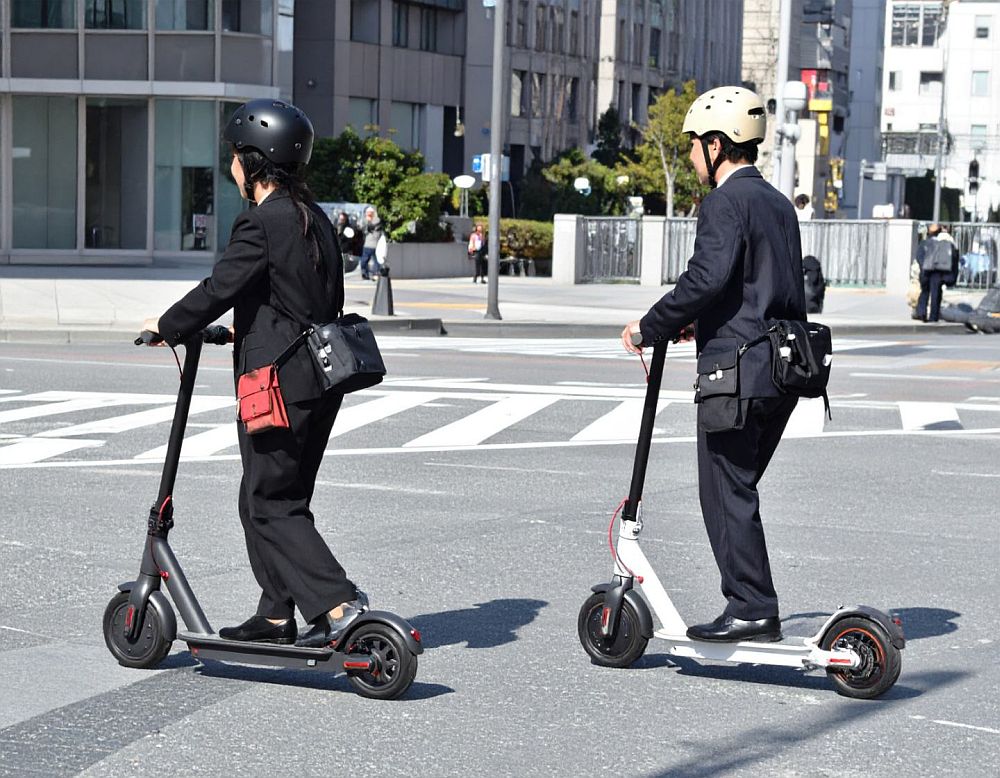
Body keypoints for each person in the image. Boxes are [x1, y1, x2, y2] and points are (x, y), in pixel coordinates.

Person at [141, 99, 367, 649]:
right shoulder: (313, 218)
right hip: (320, 379)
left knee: (271, 503)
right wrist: (246, 331)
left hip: (279, 389)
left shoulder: (262, 221)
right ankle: (274, 612)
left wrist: (167, 326)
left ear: (253, 159)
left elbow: (222, 286)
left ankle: (340, 603)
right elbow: (306, 299)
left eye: (235, 157)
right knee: (269, 497)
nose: (232, 168)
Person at [621, 86, 806, 643]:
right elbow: (760, 289)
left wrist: (648, 325)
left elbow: (706, 277)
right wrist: (693, 324)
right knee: (737, 486)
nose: (692, 158)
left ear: (718, 145)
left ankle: (751, 607)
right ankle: (754, 603)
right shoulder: (775, 202)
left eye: (695, 146)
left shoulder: (725, 202)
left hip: (738, 373)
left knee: (724, 490)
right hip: (782, 369)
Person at [914, 223, 957, 323]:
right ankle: (933, 316)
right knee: (936, 294)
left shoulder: (924, 243)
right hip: (937, 272)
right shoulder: (943, 244)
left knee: (924, 291)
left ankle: (922, 312)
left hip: (925, 271)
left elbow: (919, 257)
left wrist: (923, 267)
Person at [360, 206, 383, 280]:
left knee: (376, 261)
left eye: (370, 213)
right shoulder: (365, 221)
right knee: (364, 261)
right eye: (367, 213)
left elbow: (376, 229)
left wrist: (369, 223)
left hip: (375, 245)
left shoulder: (377, 221)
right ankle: (365, 273)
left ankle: (376, 274)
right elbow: (361, 227)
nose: (369, 214)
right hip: (367, 245)